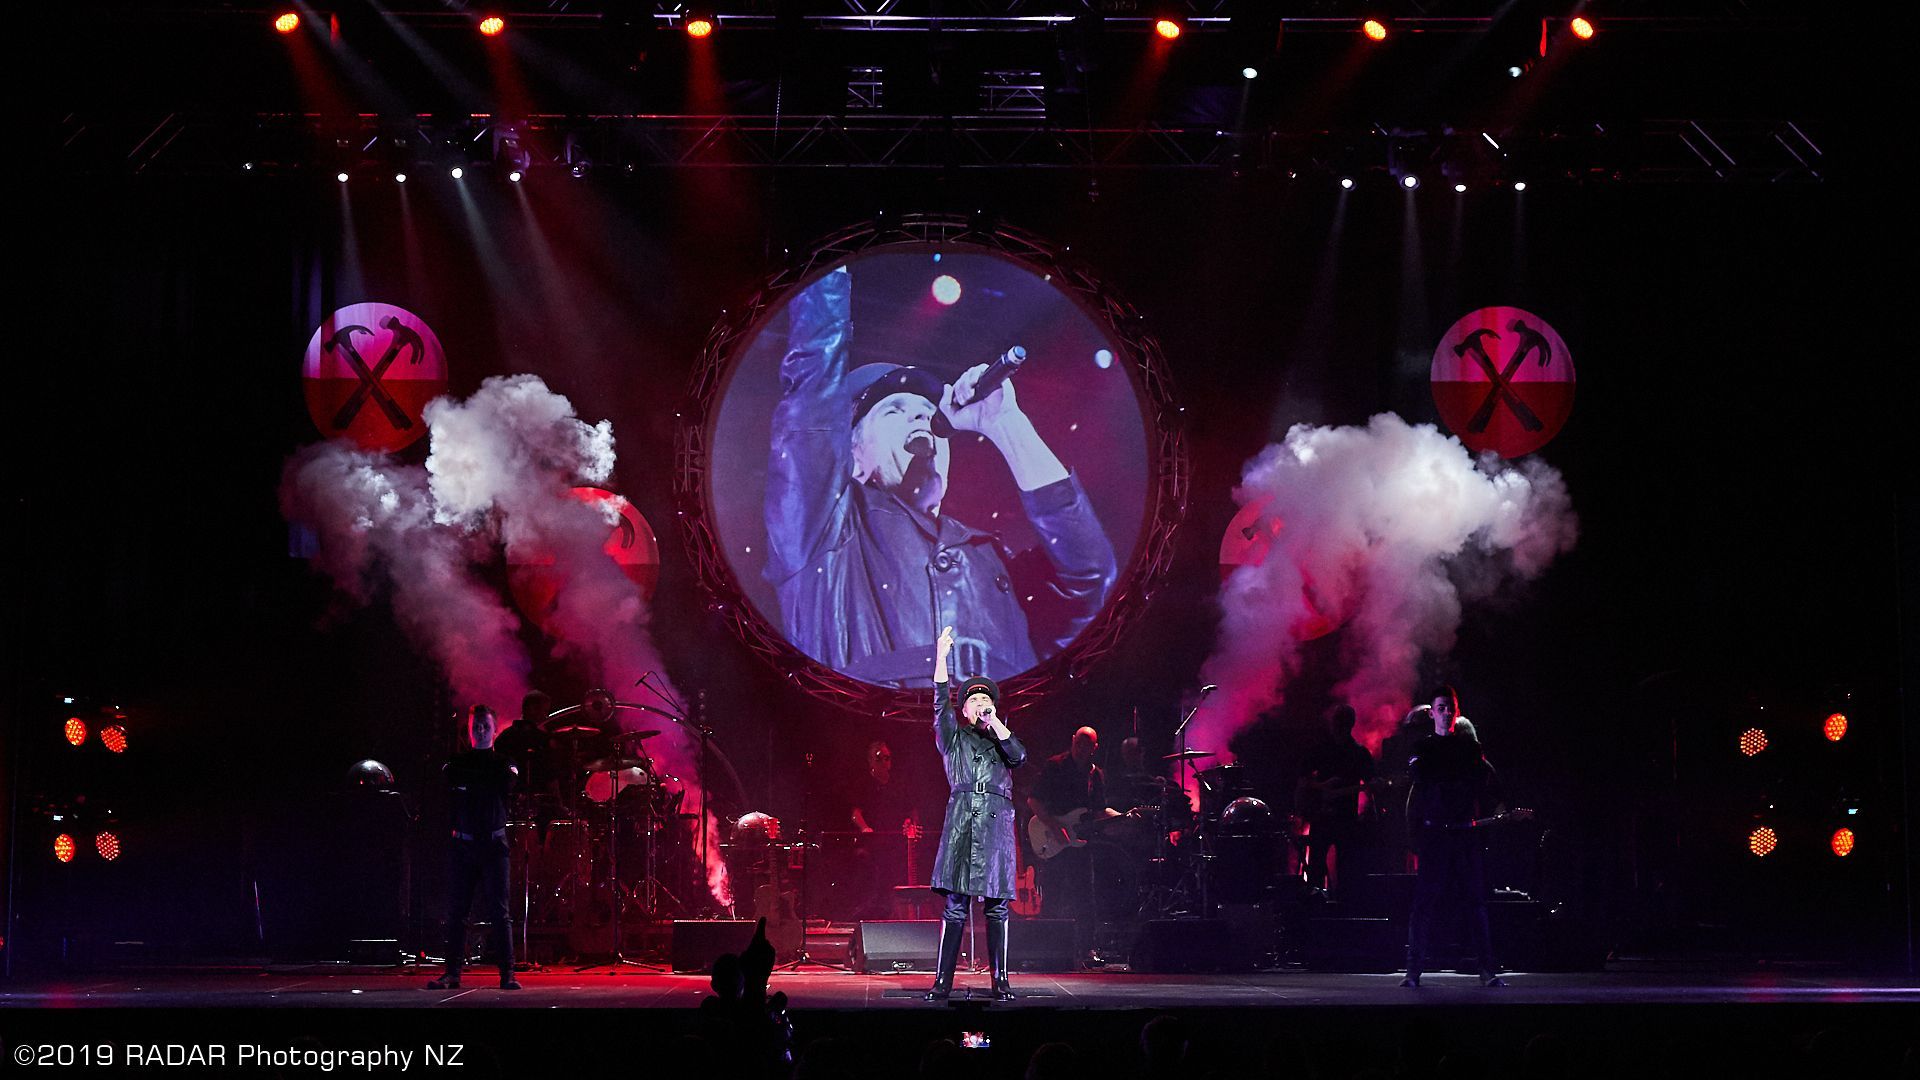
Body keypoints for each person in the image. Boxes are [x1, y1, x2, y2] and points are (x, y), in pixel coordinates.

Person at [765, 265, 1117, 687]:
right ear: (853, 459)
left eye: (927, 413)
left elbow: (1092, 582)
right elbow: (810, 406)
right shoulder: (824, 533)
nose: (919, 416)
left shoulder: (993, 559)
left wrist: (1007, 425)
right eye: (894, 411)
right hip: (872, 721)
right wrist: (827, 263)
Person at [926, 624, 1027, 1000]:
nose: (983, 703)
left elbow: (1019, 757)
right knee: (956, 906)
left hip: (997, 824)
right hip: (963, 823)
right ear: (965, 709)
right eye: (976, 700)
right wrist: (941, 658)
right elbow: (940, 702)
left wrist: (996, 723)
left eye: (988, 700)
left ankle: (1001, 981)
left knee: (998, 908)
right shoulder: (954, 737)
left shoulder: (1003, 740)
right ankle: (942, 982)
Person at [1400, 685, 1505, 988]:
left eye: (1450, 708)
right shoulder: (1422, 748)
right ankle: (1412, 972)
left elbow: (1478, 782)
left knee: (1475, 902)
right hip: (1435, 834)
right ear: (1432, 712)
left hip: (1463, 833)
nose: (1446, 713)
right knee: (1423, 905)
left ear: (1457, 712)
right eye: (1441, 708)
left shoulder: (1469, 748)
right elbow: (1422, 780)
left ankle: (1486, 970)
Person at [427, 704, 521, 990]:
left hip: (493, 845)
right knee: (457, 912)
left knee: (499, 913)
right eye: (476, 727)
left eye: (485, 726)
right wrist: (477, 782)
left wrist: (470, 783)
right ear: (469, 731)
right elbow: (448, 781)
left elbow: (505, 783)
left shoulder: (503, 763)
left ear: (495, 730)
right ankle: (452, 973)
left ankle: (508, 973)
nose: (480, 731)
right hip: (464, 845)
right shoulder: (455, 762)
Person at [1027, 726, 1114, 961]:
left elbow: (1099, 811)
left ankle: (1087, 948)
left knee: (1085, 896)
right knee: (1052, 894)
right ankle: (1046, 949)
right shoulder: (1055, 766)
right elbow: (1034, 800)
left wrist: (1123, 817)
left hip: (1081, 844)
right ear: (1073, 740)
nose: (1081, 748)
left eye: (1087, 745)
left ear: (1095, 748)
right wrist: (1055, 827)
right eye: (1079, 743)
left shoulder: (1095, 775)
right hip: (1054, 839)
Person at [1297, 703, 1377, 896]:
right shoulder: (1322, 750)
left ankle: (1337, 904)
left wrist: (1376, 789)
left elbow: (1371, 783)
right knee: (1319, 868)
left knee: (1344, 870)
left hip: (1344, 820)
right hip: (1324, 817)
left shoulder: (1359, 753)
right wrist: (1322, 787)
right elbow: (1302, 780)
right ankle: (1320, 903)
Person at [850, 739, 921, 915]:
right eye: (879, 758)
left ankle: (896, 913)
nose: (884, 762)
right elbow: (855, 813)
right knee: (872, 876)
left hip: (895, 842)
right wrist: (865, 829)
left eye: (887, 758)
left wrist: (911, 823)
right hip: (872, 844)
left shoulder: (898, 784)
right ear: (871, 761)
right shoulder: (863, 784)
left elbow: (912, 810)